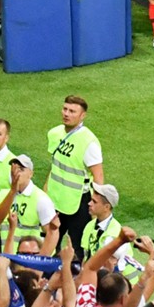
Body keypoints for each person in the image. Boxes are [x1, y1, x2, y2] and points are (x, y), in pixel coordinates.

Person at [44, 94, 105, 253]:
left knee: (78, 248)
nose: (66, 114)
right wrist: (45, 191)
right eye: (65, 109)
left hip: (77, 203)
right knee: (48, 244)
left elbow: (98, 176)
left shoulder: (89, 142)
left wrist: (98, 204)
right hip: (54, 199)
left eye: (72, 111)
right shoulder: (54, 133)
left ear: (82, 115)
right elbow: (55, 165)